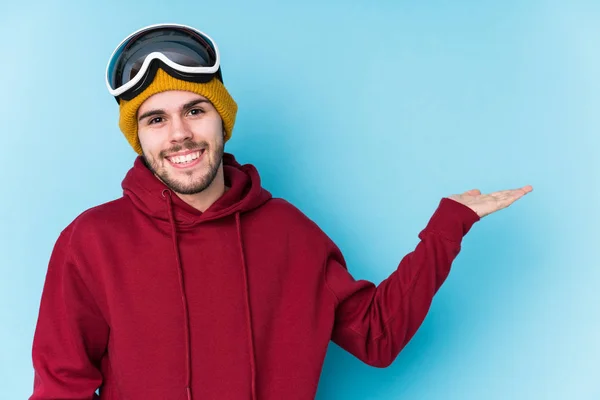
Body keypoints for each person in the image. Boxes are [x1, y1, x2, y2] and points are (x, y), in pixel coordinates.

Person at [29, 23, 532, 400]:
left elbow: (376, 337)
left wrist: (448, 226)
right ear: (138, 138)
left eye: (195, 110)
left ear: (221, 118)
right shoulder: (91, 242)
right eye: (156, 119)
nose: (179, 133)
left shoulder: (288, 232)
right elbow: (60, 388)